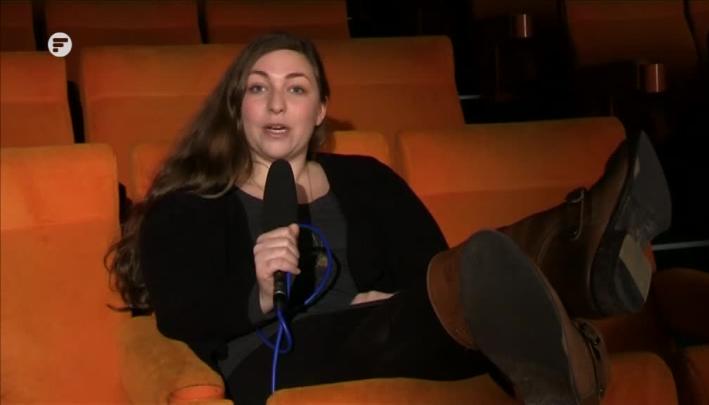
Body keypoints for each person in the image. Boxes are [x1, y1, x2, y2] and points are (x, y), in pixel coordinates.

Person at [108, 32, 671, 405]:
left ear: (320, 110)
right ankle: (578, 250)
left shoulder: (368, 180)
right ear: (238, 109)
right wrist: (258, 294)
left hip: (403, 333)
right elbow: (181, 315)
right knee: (474, 287)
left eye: (296, 88)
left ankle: (580, 259)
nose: (277, 104)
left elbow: (432, 268)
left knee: (471, 277)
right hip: (272, 357)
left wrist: (393, 302)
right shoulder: (192, 204)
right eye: (259, 89)